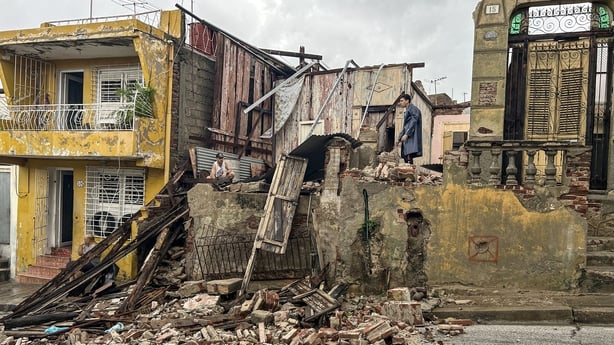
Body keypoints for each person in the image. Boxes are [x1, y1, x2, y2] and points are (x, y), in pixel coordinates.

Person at [397, 93, 423, 164]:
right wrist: (400, 137)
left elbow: (413, 122)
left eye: (402, 101)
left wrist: (406, 134)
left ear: (407, 101)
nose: (400, 102)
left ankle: (410, 172)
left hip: (411, 135)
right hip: (409, 134)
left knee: (409, 154)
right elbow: (406, 125)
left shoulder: (413, 109)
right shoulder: (408, 110)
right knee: (407, 155)